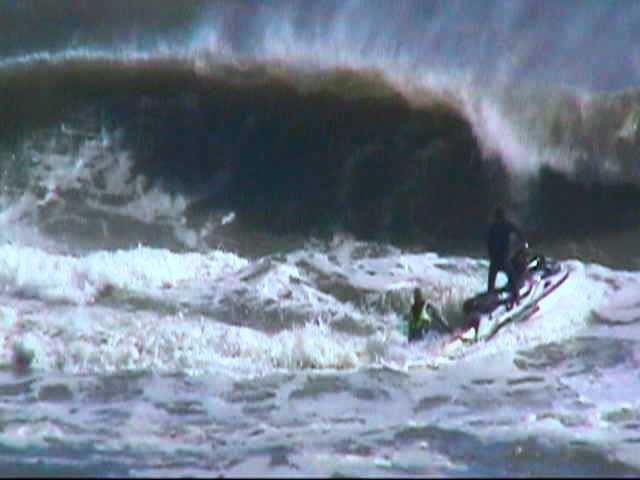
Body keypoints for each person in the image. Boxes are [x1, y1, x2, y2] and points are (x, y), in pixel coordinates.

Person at [487, 206, 529, 304]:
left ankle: (490, 296)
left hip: (494, 260)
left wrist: (491, 255)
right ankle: (517, 299)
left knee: (491, 280)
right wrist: (523, 242)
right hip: (503, 259)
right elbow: (518, 232)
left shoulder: (492, 227)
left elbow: (488, 242)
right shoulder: (506, 225)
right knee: (512, 277)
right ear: (503, 216)